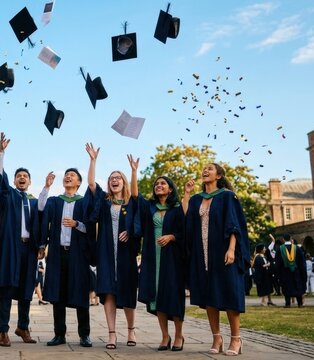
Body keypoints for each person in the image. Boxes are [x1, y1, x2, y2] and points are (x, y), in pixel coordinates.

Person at [182, 163, 250, 356]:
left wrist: (231, 249)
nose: (205, 170)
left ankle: (236, 339)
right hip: (202, 253)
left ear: (219, 175)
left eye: (210, 169)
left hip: (223, 252)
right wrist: (187, 193)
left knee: (229, 294)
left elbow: (235, 224)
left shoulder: (227, 196)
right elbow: (186, 218)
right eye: (203, 168)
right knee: (208, 295)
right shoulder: (196, 199)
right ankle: (217, 337)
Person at [85, 144, 141, 349]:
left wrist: (134, 171)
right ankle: (111, 334)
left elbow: (135, 195)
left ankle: (131, 330)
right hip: (107, 252)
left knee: (127, 292)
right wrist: (93, 160)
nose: (114, 180)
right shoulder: (104, 201)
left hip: (126, 253)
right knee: (108, 291)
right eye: (111, 178)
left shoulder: (131, 203)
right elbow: (91, 184)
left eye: (118, 177)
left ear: (124, 181)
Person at [0, 132, 40, 346]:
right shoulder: (7, 196)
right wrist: (1, 153)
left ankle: (23, 326)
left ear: (29, 181)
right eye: (19, 176)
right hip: (11, 248)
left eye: (25, 176)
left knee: (27, 291)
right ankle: (3, 330)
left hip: (29, 249)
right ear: (14, 180)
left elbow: (42, 224)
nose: (22, 178)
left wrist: (42, 245)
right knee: (7, 290)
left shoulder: (35, 201)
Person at [39, 165, 93, 348]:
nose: (68, 177)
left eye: (72, 175)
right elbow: (41, 209)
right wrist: (46, 186)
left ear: (78, 182)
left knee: (80, 293)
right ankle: (59, 334)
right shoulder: (54, 201)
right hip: (57, 252)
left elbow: (91, 227)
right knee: (57, 294)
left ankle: (84, 335)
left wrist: (77, 223)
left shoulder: (84, 202)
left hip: (78, 254)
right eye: (66, 175)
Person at [138, 175, 187, 352]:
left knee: (173, 294)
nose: (158, 185)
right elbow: (136, 197)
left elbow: (185, 232)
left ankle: (179, 335)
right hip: (153, 255)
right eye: (156, 184)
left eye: (163, 183)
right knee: (156, 295)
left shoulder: (176, 209)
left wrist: (172, 236)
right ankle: (165, 336)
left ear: (170, 189)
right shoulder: (150, 207)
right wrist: (135, 171)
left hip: (172, 257)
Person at [275, 234, 306, 308]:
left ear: (283, 239)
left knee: (286, 287)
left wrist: (277, 274)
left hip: (284, 272)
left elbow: (278, 263)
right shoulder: (297, 248)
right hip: (296, 271)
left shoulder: (279, 249)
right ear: (291, 239)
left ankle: (288, 303)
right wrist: (303, 273)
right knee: (297, 286)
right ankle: (300, 303)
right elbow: (301, 262)